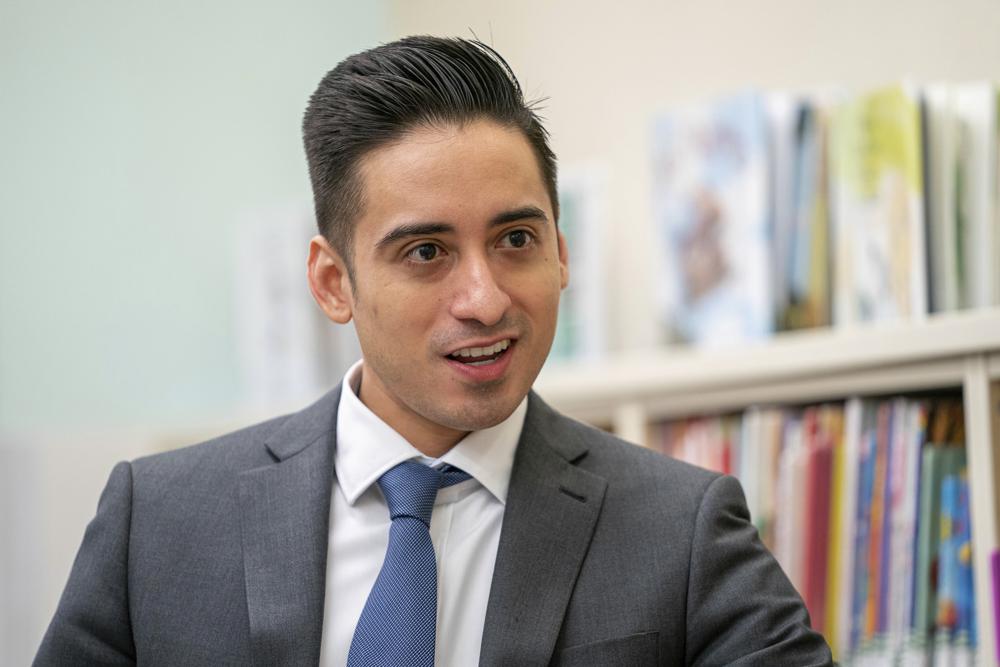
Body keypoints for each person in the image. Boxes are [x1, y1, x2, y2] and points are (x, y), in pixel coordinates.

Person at [35, 36, 833, 666]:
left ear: (562, 251)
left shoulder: (682, 528)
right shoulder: (159, 520)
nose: (485, 298)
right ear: (332, 282)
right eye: (425, 252)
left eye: (516, 239)